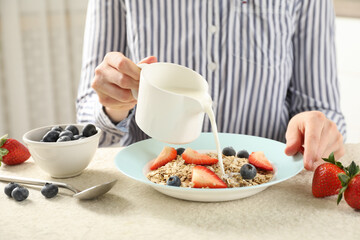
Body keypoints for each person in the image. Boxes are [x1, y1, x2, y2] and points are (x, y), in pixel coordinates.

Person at [77, 0, 346, 171]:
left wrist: (314, 131)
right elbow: (89, 120)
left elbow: (321, 109)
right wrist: (113, 107)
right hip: (148, 191)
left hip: (268, 189)